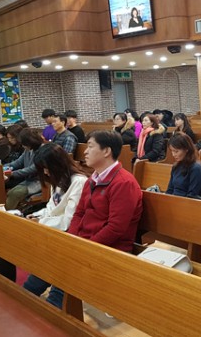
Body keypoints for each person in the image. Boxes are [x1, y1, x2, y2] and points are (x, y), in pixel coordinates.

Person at [46, 130, 143, 309]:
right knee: (47, 257)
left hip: (110, 247)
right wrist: (72, 239)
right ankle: (29, 302)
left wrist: (85, 247)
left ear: (106, 151)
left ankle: (50, 309)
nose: (85, 152)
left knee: (64, 266)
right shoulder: (92, 179)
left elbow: (115, 228)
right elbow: (79, 213)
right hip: (86, 241)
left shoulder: (124, 183)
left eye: (90, 147)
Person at [21, 143, 88, 296]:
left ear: (58, 164)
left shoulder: (79, 182)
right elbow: (52, 208)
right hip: (53, 231)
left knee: (44, 273)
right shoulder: (59, 179)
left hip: (67, 235)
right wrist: (37, 216)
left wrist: (41, 222)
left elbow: (69, 220)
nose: (45, 172)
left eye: (47, 168)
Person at [4, 128, 43, 210]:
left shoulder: (42, 150)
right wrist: (2, 167)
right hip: (29, 180)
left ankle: (7, 214)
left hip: (40, 182)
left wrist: (12, 173)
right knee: (11, 192)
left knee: (15, 193)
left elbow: (32, 169)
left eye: (23, 143)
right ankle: (13, 212)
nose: (22, 145)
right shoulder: (27, 150)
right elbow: (17, 163)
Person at [166, 133, 201, 197]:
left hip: (187, 201)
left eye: (176, 151)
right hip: (174, 199)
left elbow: (192, 195)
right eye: (172, 151)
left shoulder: (196, 168)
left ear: (186, 149)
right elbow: (170, 190)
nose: (173, 155)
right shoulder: (176, 166)